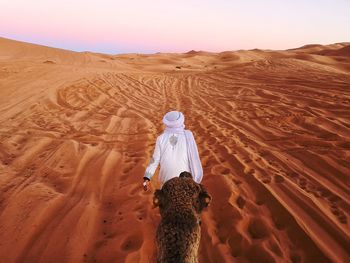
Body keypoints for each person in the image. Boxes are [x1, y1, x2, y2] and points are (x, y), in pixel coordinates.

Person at [143, 111, 203, 191]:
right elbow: (194, 158)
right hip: (185, 181)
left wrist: (147, 177)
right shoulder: (188, 136)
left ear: (167, 123)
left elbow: (154, 160)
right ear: (181, 121)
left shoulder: (161, 138)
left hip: (166, 182)